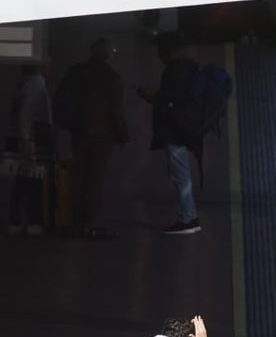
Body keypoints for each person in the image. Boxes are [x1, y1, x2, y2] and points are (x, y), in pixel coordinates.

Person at [137, 31, 202, 235]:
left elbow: (173, 100)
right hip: (183, 128)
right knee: (180, 174)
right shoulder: (187, 67)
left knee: (181, 176)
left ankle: (188, 218)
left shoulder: (175, 70)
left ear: (169, 51)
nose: (159, 56)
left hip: (176, 131)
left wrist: (152, 97)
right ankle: (189, 215)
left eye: (160, 51)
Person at [68, 38, 129, 239]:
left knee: (79, 177)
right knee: (94, 180)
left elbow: (63, 100)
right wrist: (123, 135)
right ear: (108, 55)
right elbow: (116, 111)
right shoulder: (112, 77)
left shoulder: (76, 72)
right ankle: (89, 223)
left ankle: (76, 222)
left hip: (78, 133)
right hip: (102, 137)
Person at [1, 63, 54, 236]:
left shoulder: (25, 82)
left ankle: (15, 221)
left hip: (22, 138)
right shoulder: (37, 83)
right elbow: (27, 112)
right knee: (33, 182)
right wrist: (26, 139)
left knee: (22, 182)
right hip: (31, 140)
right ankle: (32, 221)